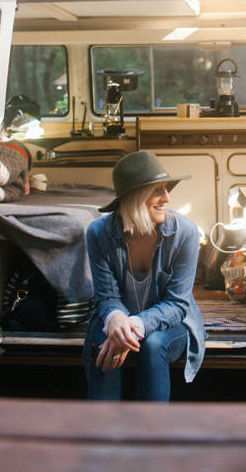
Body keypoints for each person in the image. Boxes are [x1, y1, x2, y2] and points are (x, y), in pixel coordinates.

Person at [83, 150, 205, 400]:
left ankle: (150, 434)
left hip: (171, 322)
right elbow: (106, 297)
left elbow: (177, 304)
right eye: (157, 190)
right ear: (134, 197)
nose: (167, 198)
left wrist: (135, 325)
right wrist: (117, 319)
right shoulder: (98, 233)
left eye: (166, 188)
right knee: (110, 341)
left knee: (152, 344)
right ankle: (101, 433)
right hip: (117, 317)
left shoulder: (185, 233)